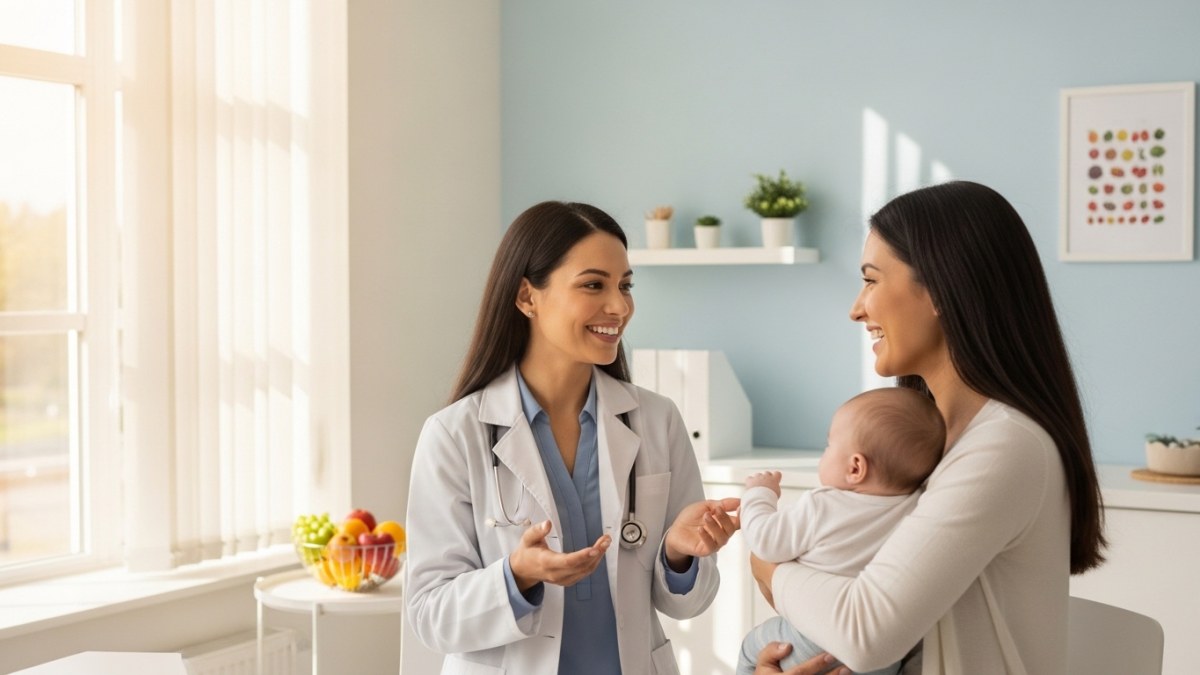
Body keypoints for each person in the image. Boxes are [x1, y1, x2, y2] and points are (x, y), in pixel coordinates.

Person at [750, 181, 1107, 674]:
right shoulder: (936, 442)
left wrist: (768, 566)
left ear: (940, 289)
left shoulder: (1005, 445)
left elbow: (865, 630)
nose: (857, 308)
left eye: (872, 280)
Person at [405, 201, 742, 675]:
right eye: (593, 285)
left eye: (625, 286)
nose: (620, 306)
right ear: (527, 297)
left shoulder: (657, 420)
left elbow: (688, 605)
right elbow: (430, 615)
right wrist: (516, 576)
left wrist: (678, 555)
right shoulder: (454, 435)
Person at [736, 388, 946, 675]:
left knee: (750, 649)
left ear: (855, 467)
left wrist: (760, 494)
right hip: (885, 658)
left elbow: (764, 540)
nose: (825, 454)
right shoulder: (917, 507)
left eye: (829, 446)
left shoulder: (823, 505)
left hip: (808, 641)